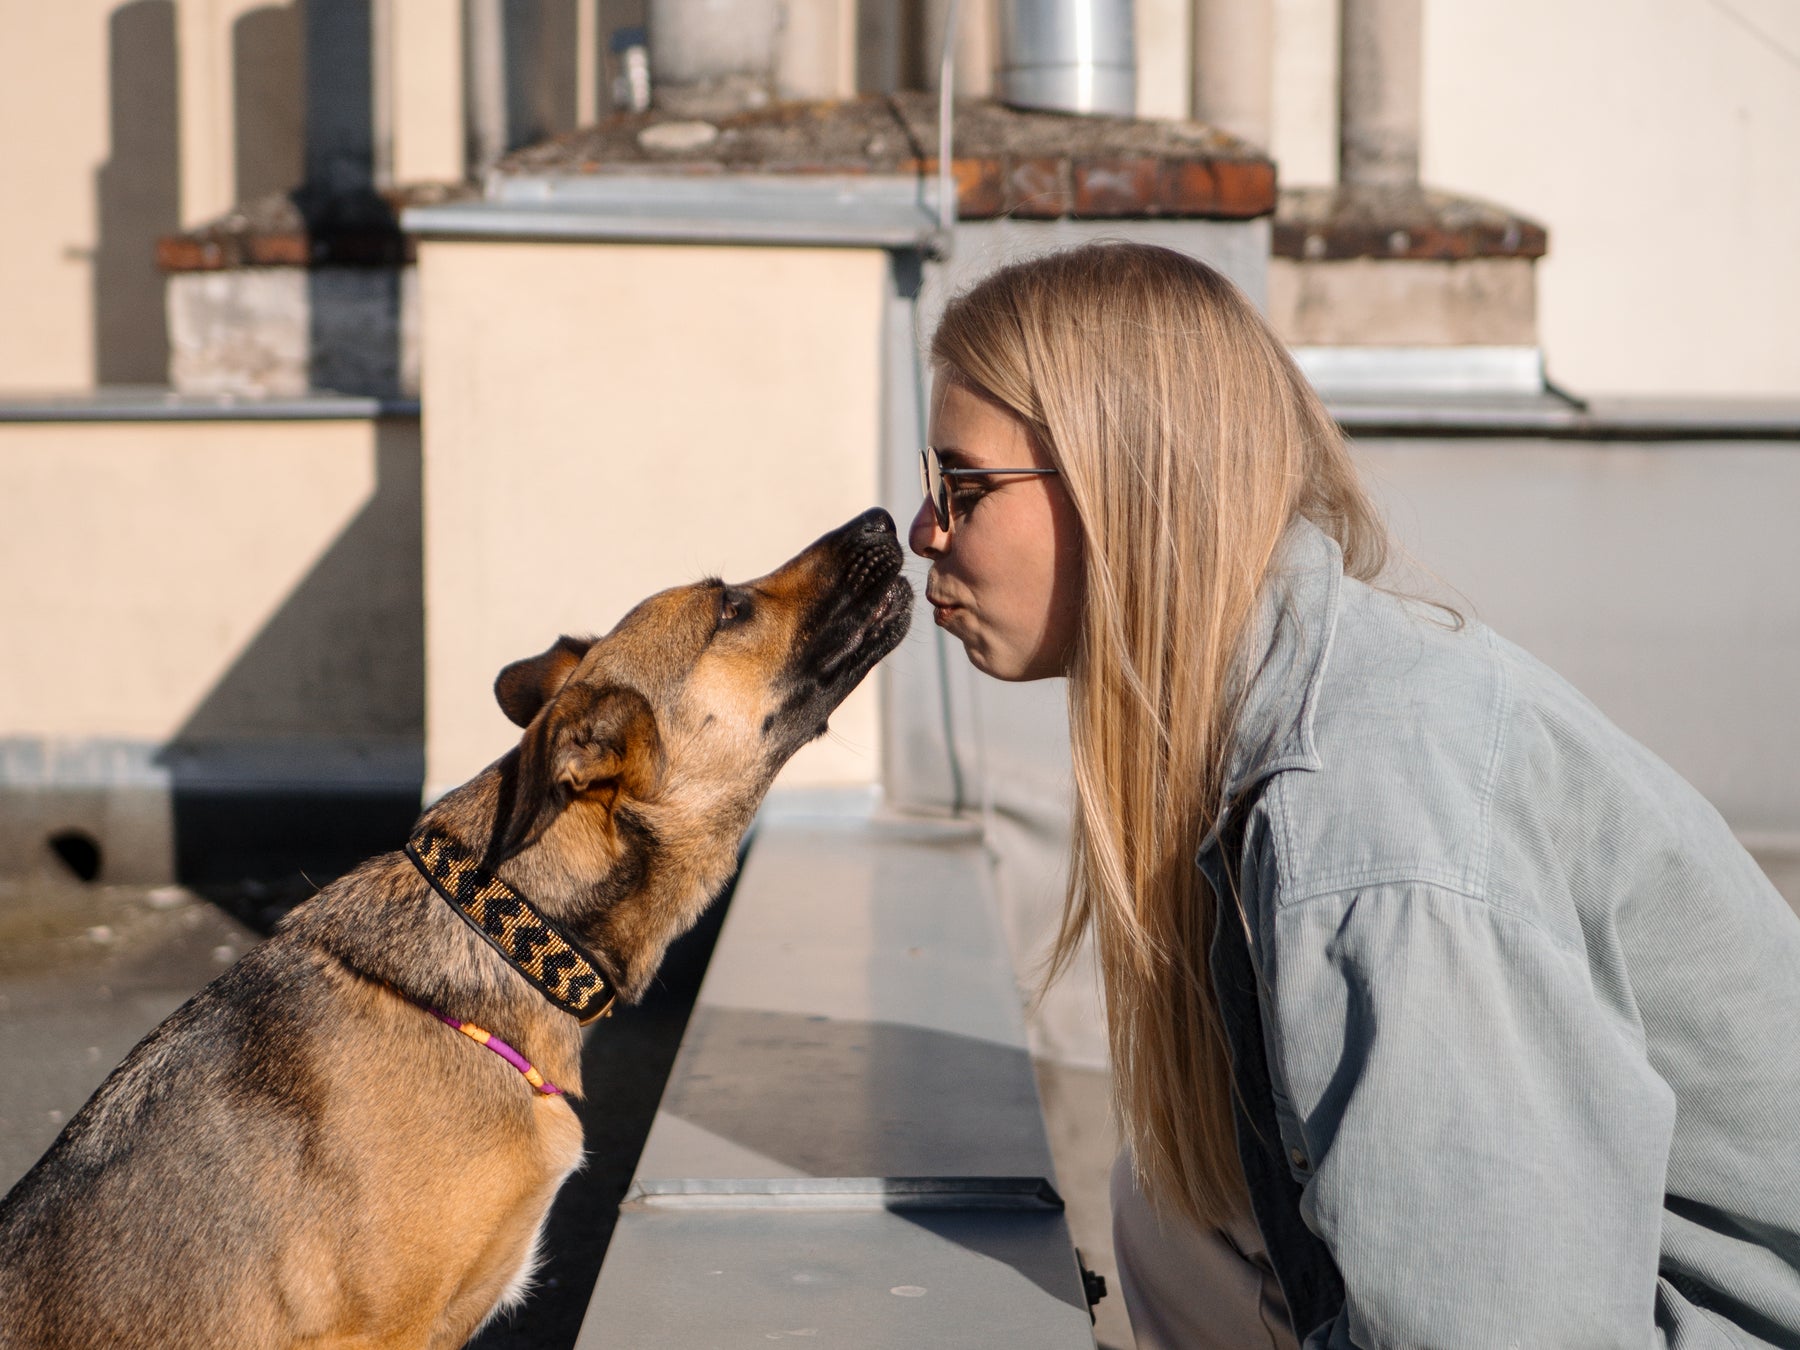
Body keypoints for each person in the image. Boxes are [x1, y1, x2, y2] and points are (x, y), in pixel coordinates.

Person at [907, 240, 1800, 1348]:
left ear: (1121, 477)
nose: (922, 533)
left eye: (964, 486)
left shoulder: (1364, 823)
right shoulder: (1283, 711)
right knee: (1180, 1191)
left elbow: (1502, 1331)